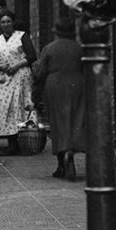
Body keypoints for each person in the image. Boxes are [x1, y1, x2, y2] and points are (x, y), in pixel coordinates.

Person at [33, 17, 86, 180]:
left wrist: (36, 89)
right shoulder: (80, 48)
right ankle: (71, 152)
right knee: (75, 120)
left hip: (55, 85)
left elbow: (40, 73)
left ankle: (61, 163)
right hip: (77, 84)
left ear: (55, 32)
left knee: (58, 122)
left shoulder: (49, 48)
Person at [0, 9, 37, 156]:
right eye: (3, 22)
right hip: (4, 79)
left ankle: (26, 142)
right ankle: (11, 144)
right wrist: (0, 67)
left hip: (21, 75)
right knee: (6, 107)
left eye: (8, 21)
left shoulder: (22, 36)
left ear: (13, 22)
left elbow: (32, 56)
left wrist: (17, 65)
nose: (6, 24)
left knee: (21, 106)